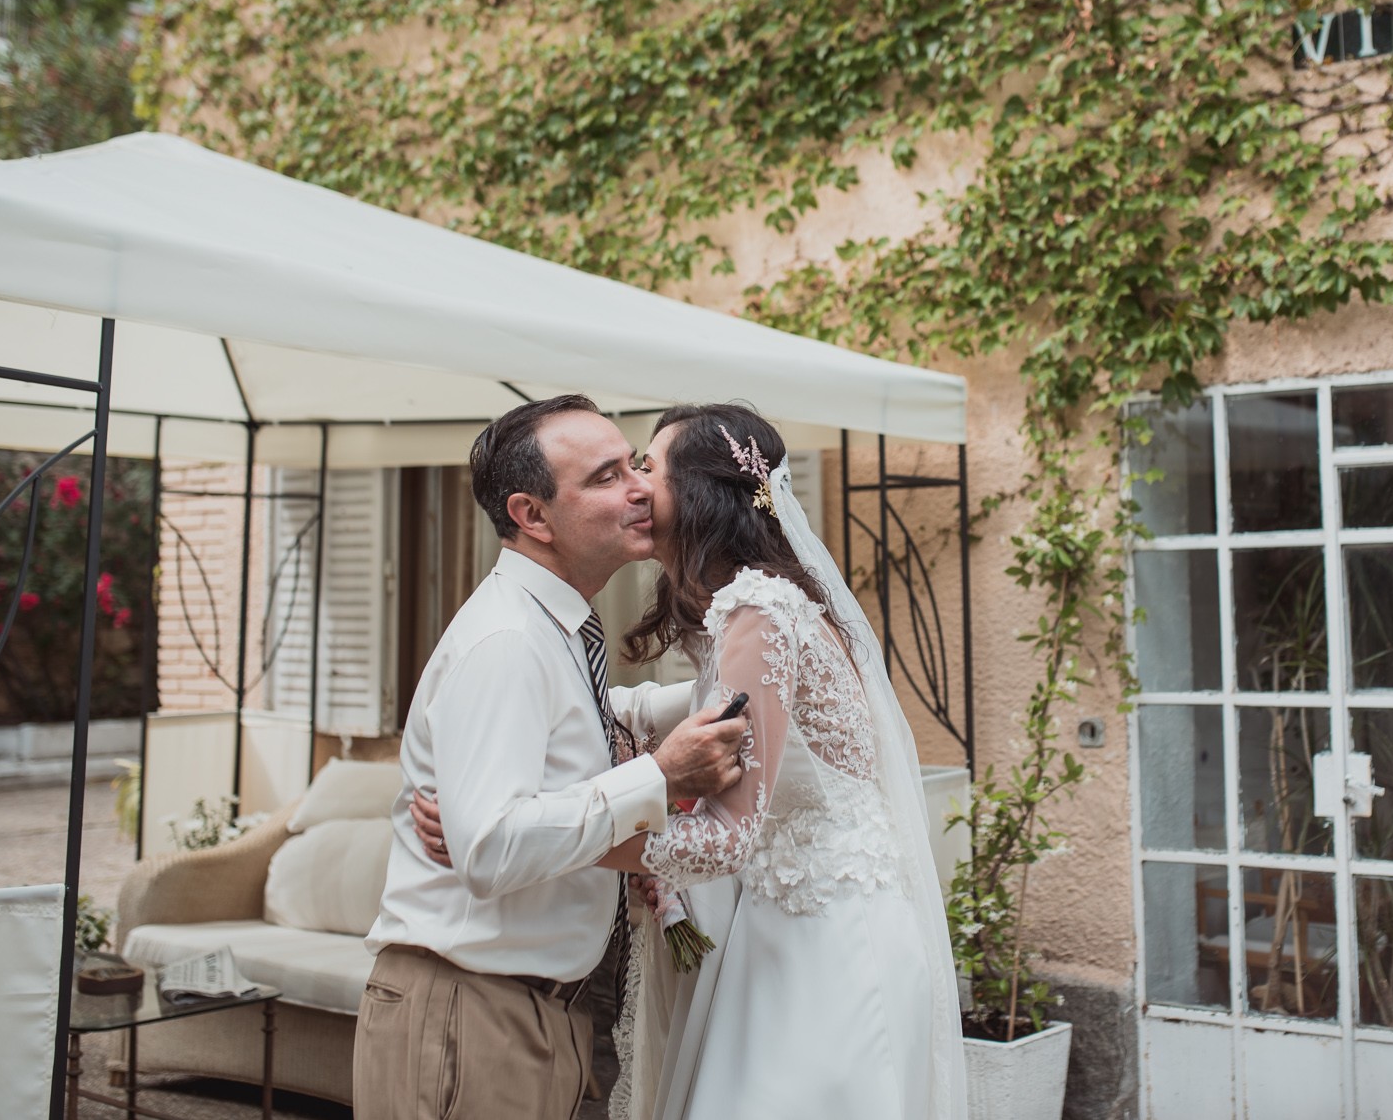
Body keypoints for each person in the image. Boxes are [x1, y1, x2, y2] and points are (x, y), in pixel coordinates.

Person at [414, 403, 968, 1120]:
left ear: (700, 492)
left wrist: (529, 837)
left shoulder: (758, 612)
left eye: (647, 465)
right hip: (820, 928)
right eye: (618, 470)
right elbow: (658, 708)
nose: (636, 484)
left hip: (819, 951)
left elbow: (723, 840)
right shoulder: (768, 607)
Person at [354, 395, 750, 1120]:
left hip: (534, 1011)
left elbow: (582, 723)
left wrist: (730, 686)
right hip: (473, 1011)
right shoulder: (507, 641)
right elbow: (490, 849)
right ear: (533, 516)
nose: (639, 486)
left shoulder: (557, 627)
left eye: (634, 463)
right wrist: (660, 774)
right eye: (604, 477)